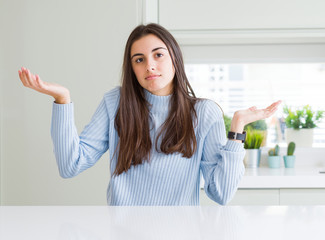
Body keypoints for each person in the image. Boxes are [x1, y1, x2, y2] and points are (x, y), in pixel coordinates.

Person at [18, 23, 281, 206]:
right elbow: (70, 165)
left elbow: (221, 194)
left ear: (175, 59)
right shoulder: (116, 102)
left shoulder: (204, 113)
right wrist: (62, 99)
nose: (150, 66)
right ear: (131, 67)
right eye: (139, 59)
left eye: (158, 55)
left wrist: (236, 132)